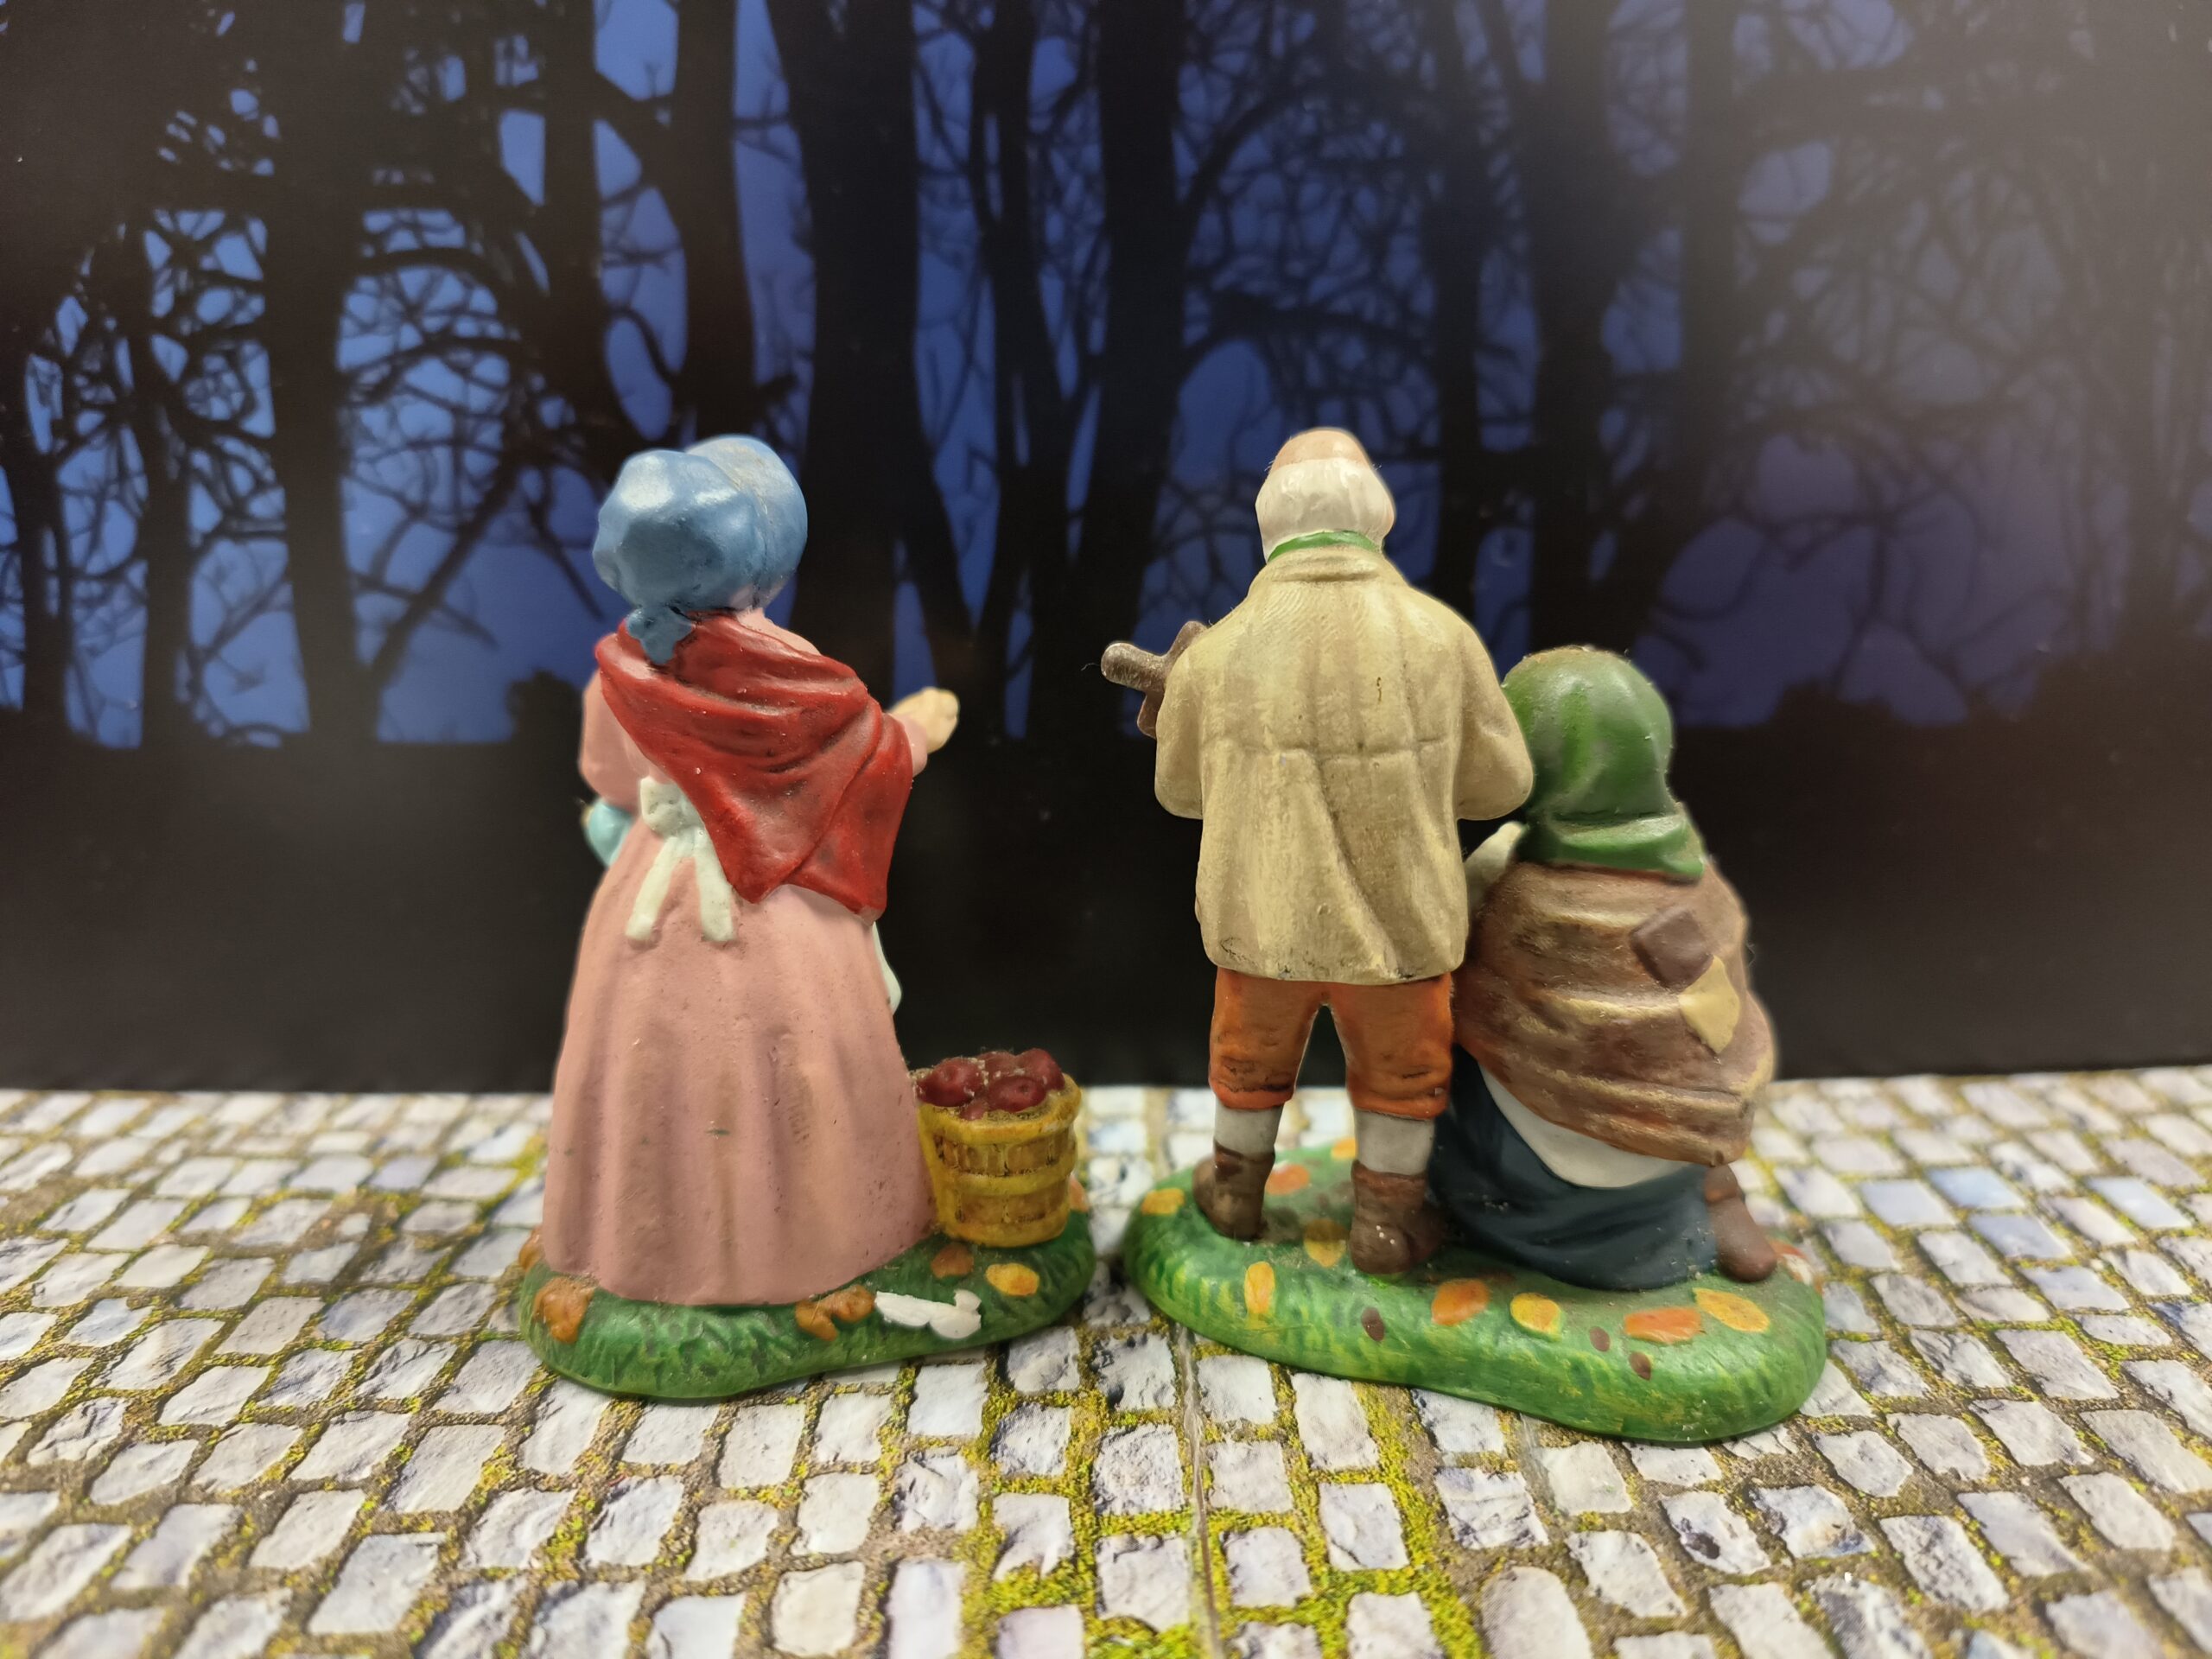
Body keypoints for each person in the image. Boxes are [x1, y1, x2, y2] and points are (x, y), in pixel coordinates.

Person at [540, 435, 960, 1307]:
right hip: (771, 898)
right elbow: (858, 754)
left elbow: (609, 782)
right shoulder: (792, 676)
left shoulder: (615, 676)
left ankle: (659, 1246)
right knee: (787, 1054)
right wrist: (917, 730)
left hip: (653, 902)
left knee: (653, 1066)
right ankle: (810, 1244)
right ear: (767, 567)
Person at [1153, 429, 1532, 1273]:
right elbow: (1501, 785)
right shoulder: (1443, 639)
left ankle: (1234, 1196)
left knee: (1246, 1066)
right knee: (1403, 1079)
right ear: (1376, 515)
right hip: (1401, 932)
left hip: (1260, 922)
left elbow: (1179, 793)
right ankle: (1387, 1226)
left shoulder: (1214, 655)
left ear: (1268, 522)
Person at [1435, 646, 1779, 1288]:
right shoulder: (1702, 887)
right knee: (1693, 1051)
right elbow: (1715, 1022)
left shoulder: (1516, 887)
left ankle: (1439, 1207)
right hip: (1691, 1141)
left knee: (1424, 1044)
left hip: (1550, 1168)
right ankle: (1715, 1192)